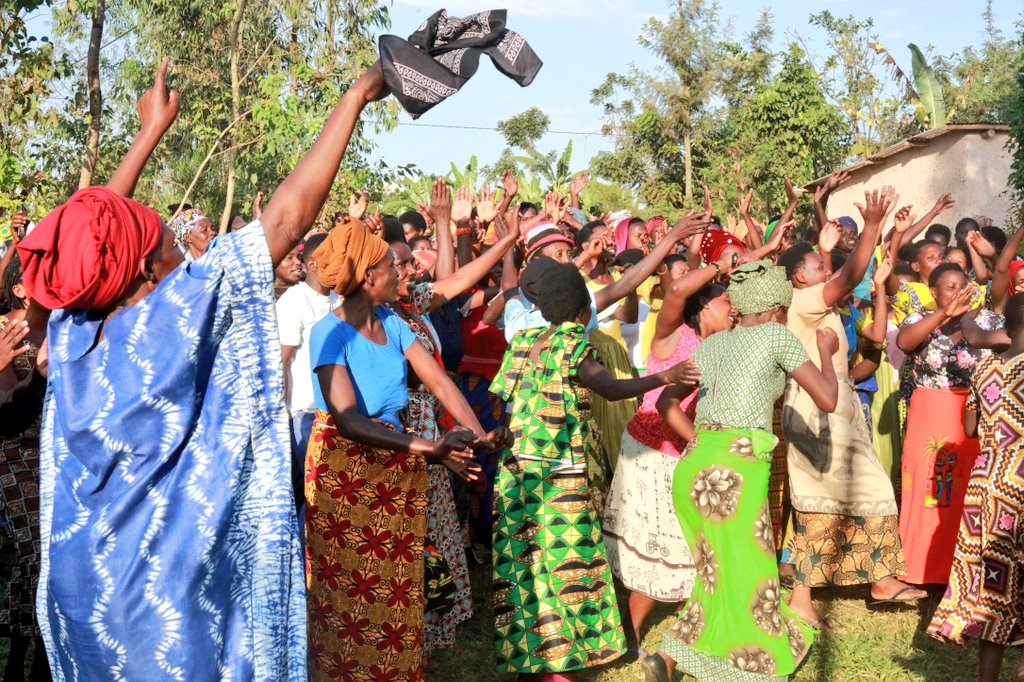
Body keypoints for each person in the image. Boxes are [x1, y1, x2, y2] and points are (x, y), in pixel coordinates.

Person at [18, 56, 389, 679]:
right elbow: (288, 218)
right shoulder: (174, 314)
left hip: (81, 597)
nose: (176, 253)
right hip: (162, 604)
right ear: (142, 272)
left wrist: (147, 136)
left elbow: (85, 240)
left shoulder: (71, 332)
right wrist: (358, 92)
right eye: (165, 244)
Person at [304, 216, 509, 681]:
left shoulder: (392, 322)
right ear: (370, 277)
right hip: (347, 472)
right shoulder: (328, 334)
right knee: (353, 593)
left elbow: (439, 383)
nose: (402, 273)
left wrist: (476, 436)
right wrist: (427, 447)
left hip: (396, 463)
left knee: (396, 588)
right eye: (390, 268)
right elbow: (348, 420)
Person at [490, 258, 701, 680]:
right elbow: (608, 387)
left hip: (514, 472)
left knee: (523, 567)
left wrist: (501, 434)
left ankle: (528, 662)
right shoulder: (574, 344)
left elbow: (502, 404)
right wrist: (665, 377)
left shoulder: (522, 341)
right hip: (559, 477)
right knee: (565, 570)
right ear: (583, 312)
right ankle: (560, 666)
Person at [645, 259, 841, 682]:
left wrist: (702, 441)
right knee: (750, 573)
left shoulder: (712, 345)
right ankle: (754, 669)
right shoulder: (776, 336)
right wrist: (825, 353)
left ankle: (671, 657)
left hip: (694, 466)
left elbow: (665, 403)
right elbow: (827, 398)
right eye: (784, 310)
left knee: (714, 569)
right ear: (773, 309)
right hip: (736, 470)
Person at [778, 190, 925, 629]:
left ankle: (877, 582)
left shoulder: (818, 302)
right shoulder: (805, 301)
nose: (829, 274)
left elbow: (867, 341)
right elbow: (851, 273)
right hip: (814, 408)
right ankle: (813, 595)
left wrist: (849, 259)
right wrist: (875, 227)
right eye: (819, 268)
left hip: (836, 405)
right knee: (829, 498)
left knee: (853, 494)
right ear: (800, 280)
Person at [602, 254, 736, 653]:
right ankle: (631, 633)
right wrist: (722, 263)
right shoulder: (672, 335)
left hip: (684, 453)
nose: (734, 311)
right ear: (705, 307)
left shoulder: (723, 348)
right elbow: (676, 289)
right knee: (653, 548)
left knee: (689, 544)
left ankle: (693, 626)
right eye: (727, 303)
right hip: (650, 452)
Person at [927, 292, 1024, 682]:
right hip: (1019, 480)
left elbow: (969, 429)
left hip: (985, 484)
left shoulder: (985, 371)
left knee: (995, 586)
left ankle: (988, 677)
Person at [896, 264, 1000, 585]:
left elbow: (1003, 343)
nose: (957, 292)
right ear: (935, 292)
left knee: (965, 489)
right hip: (930, 412)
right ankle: (920, 570)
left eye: (962, 286)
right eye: (949, 287)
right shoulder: (919, 320)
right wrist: (942, 315)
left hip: (970, 413)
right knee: (929, 489)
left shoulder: (985, 321)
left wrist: (966, 317)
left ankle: (961, 571)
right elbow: (904, 343)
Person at [277, 231, 338, 495]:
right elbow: (281, 362)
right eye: (332, 258)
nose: (339, 263)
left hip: (338, 413)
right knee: (316, 495)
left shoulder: (340, 300)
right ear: (312, 265)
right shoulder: (294, 300)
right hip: (306, 413)